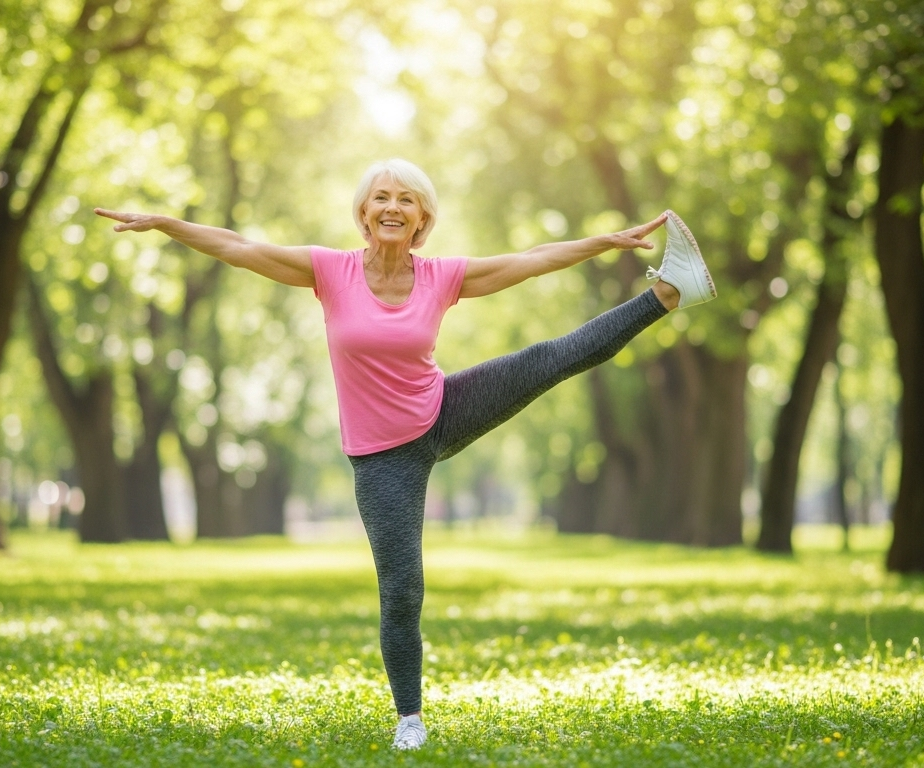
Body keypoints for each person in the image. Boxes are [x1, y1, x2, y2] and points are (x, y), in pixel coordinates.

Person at [94, 158, 715, 750]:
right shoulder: (329, 271)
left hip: (442, 410)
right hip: (383, 457)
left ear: (422, 219)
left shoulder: (440, 277)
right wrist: (167, 225)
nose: (393, 207)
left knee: (548, 358)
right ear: (364, 213)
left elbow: (531, 260)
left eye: (406, 199)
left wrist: (604, 242)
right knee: (402, 588)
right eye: (382, 198)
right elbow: (239, 247)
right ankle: (410, 719)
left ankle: (667, 293)